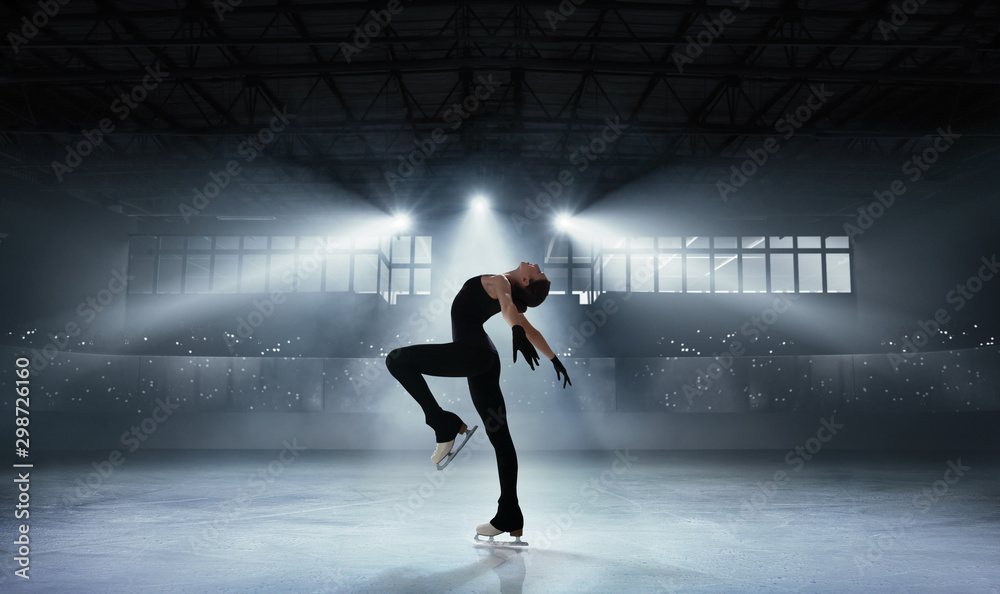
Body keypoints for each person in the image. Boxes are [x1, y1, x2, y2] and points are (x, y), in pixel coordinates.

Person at [386, 261, 571, 541]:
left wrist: (517, 332)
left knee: (396, 360)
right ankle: (509, 513)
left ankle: (442, 423)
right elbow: (528, 328)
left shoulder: (501, 283)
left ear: (524, 280)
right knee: (501, 438)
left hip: (472, 353)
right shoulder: (505, 287)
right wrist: (553, 358)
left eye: (537, 271)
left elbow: (509, 309)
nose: (535, 265)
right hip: (484, 358)